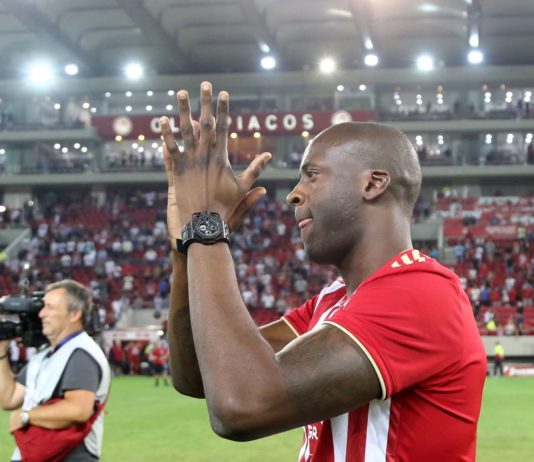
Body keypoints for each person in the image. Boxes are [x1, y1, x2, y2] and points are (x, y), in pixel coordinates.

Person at [161, 82, 487, 461]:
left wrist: (206, 224)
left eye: (312, 175)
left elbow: (241, 405)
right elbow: (198, 376)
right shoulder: (334, 300)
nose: (294, 194)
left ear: (373, 183)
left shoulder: (421, 293)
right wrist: (185, 247)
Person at [0, 279, 111, 462]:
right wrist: (1, 351)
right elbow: (9, 398)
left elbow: (78, 409)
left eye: (49, 308)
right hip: (36, 453)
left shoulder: (81, 354)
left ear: (74, 314)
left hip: (68, 456)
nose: (41, 314)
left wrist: (27, 416)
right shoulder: (45, 356)